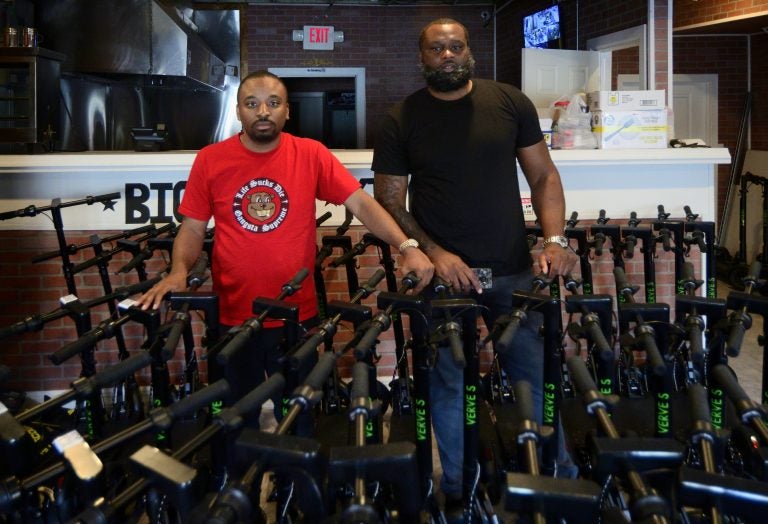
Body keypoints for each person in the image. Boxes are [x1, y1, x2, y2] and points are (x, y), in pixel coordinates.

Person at [137, 70, 434, 422]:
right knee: (233, 422)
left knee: (299, 421)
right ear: (238, 111)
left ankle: (290, 479)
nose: (263, 111)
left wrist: (407, 246)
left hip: (296, 317)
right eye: (252, 103)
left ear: (287, 111)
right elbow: (192, 228)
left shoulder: (310, 154)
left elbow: (363, 205)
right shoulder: (210, 160)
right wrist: (179, 271)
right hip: (232, 318)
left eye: (273, 103)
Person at [371, 18, 579, 509]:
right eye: (436, 48)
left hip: (511, 270)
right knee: (448, 384)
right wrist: (435, 253)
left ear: (469, 52)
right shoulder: (401, 118)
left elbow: (545, 176)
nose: (447, 55)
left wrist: (554, 239)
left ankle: (559, 478)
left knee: (535, 377)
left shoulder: (509, 103)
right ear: (421, 57)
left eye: (455, 46)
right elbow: (389, 200)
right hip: (444, 281)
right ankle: (459, 490)